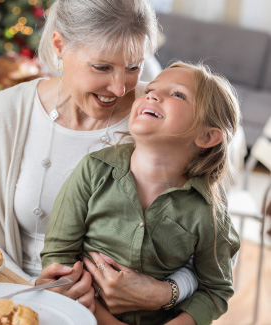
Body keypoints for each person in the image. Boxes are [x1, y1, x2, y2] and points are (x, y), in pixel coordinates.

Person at [0, 0, 197, 314]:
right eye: (102, 67)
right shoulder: (8, 111)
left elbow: (214, 250)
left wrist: (164, 292)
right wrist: (35, 292)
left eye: (133, 67)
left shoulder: (163, 116)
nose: (120, 87)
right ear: (59, 45)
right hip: (12, 299)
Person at [41, 61, 241, 325]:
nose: (152, 94)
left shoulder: (208, 211)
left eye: (178, 94)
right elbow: (59, 255)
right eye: (152, 90)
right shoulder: (93, 170)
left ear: (207, 136)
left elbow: (215, 290)